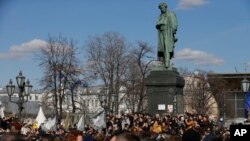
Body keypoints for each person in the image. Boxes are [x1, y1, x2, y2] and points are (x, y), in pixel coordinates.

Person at [156, 2, 178, 68]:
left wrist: (173, 32)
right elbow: (157, 23)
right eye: (160, 8)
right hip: (161, 32)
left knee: (167, 46)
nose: (161, 9)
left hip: (168, 31)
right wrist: (158, 24)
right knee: (162, 47)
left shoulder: (171, 14)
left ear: (165, 7)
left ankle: (167, 62)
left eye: (162, 8)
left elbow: (175, 23)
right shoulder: (160, 16)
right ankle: (163, 62)